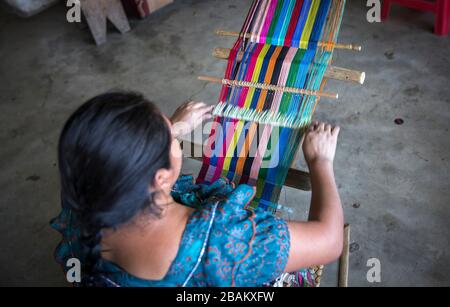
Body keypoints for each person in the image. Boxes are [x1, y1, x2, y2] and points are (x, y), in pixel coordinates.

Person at [51, 91, 343, 287]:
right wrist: (320, 161)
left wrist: (173, 130)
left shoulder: (82, 202)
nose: (174, 131)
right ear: (161, 178)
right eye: (171, 137)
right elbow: (330, 242)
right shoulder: (222, 242)